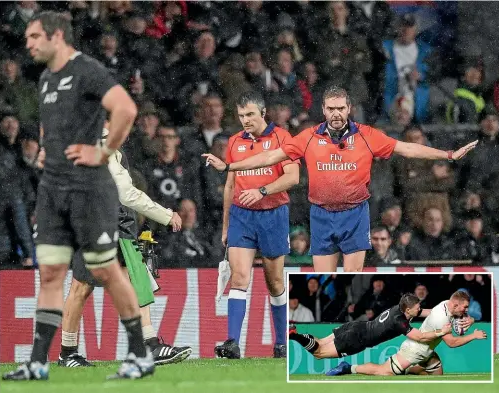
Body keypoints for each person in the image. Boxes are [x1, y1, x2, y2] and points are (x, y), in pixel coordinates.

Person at [4, 12, 151, 381]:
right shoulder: (46, 78)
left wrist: (102, 153)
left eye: (35, 36)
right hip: (53, 190)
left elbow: (126, 108)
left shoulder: (87, 70)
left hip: (89, 189)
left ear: (56, 35)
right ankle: (38, 361)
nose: (29, 44)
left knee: (104, 268)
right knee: (52, 272)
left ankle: (139, 353)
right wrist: (46, 151)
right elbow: (48, 123)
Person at [203, 86, 478, 272]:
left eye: (341, 109)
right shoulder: (309, 136)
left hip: (356, 213)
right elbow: (268, 157)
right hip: (321, 214)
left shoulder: (367, 135)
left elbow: (406, 148)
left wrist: (448, 154)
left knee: (352, 277)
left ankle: (350, 339)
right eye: (331, 109)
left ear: (349, 109)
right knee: (325, 280)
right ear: (324, 109)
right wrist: (230, 166)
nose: (336, 114)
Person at [58, 124, 192, 368]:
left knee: (137, 281)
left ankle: (150, 345)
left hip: (118, 228)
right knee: (81, 287)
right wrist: (166, 214)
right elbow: (126, 194)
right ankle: (67, 352)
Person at [213, 91, 299, 359]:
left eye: (250, 114)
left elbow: (293, 178)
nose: (245, 120)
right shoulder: (234, 142)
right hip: (242, 216)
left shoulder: (282, 138)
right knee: (239, 277)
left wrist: (262, 191)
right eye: (241, 115)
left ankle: (281, 342)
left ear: (263, 114)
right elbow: (230, 185)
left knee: (274, 282)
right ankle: (232, 343)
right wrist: (226, 225)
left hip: (273, 214)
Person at [289, 293, 466, 369]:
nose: (420, 308)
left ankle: (295, 334)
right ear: (408, 310)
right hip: (356, 339)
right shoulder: (399, 322)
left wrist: (449, 312)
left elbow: (427, 312)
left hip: (356, 325)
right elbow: (419, 336)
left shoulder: (399, 308)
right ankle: (295, 336)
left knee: (319, 341)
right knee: (319, 353)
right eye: (417, 307)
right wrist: (441, 332)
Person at [336, 291, 487, 376]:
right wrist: (474, 335)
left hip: (427, 351)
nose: (466, 310)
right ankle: (348, 368)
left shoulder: (447, 303)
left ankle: (408, 369)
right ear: (455, 304)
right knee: (382, 371)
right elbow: (452, 343)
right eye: (465, 307)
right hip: (414, 350)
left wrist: (471, 320)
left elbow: (458, 317)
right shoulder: (440, 317)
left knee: (438, 381)